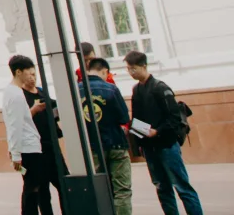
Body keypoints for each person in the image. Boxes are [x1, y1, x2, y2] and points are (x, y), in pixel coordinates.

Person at [126, 50, 203, 215]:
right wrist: (139, 142)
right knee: (162, 187)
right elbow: (136, 119)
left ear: (144, 66)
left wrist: (157, 131)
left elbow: (174, 118)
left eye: (134, 69)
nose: (131, 72)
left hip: (167, 145)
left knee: (182, 186)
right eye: (128, 69)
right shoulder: (136, 90)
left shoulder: (160, 88)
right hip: (149, 148)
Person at [3, 55, 57, 215]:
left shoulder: (12, 92)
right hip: (28, 150)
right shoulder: (15, 95)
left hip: (28, 148)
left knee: (33, 188)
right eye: (29, 73)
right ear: (18, 72)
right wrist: (15, 153)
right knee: (32, 189)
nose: (32, 76)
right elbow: (15, 126)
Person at [81, 57, 132, 215]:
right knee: (122, 190)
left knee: (97, 189)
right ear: (104, 71)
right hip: (116, 144)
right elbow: (124, 118)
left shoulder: (75, 90)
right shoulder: (111, 89)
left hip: (92, 148)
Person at [20, 69, 65, 214]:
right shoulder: (20, 96)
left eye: (34, 74)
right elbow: (18, 123)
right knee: (42, 189)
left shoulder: (42, 92)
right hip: (35, 148)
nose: (32, 78)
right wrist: (33, 110)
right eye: (29, 75)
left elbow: (55, 112)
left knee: (63, 183)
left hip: (51, 145)